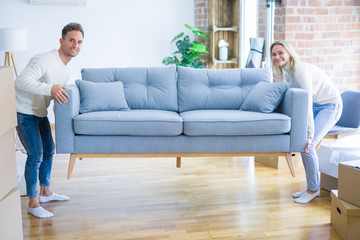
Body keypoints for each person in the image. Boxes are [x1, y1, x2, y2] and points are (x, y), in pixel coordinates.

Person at [15, 23, 84, 218]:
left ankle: (45, 192)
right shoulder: (43, 60)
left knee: (49, 150)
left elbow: (56, 94)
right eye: (71, 40)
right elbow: (20, 82)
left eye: (79, 42)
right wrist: (50, 89)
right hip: (24, 112)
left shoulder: (65, 70)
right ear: (61, 41)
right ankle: (33, 202)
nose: (75, 45)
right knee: (35, 154)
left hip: (39, 112)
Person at [271, 40, 342, 204]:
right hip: (317, 105)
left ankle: (313, 189)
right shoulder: (287, 72)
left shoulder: (299, 71)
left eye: (281, 52)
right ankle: (311, 185)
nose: (277, 57)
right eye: (274, 54)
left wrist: (309, 134)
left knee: (307, 145)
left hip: (330, 106)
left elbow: (306, 104)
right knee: (303, 144)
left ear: (289, 52)